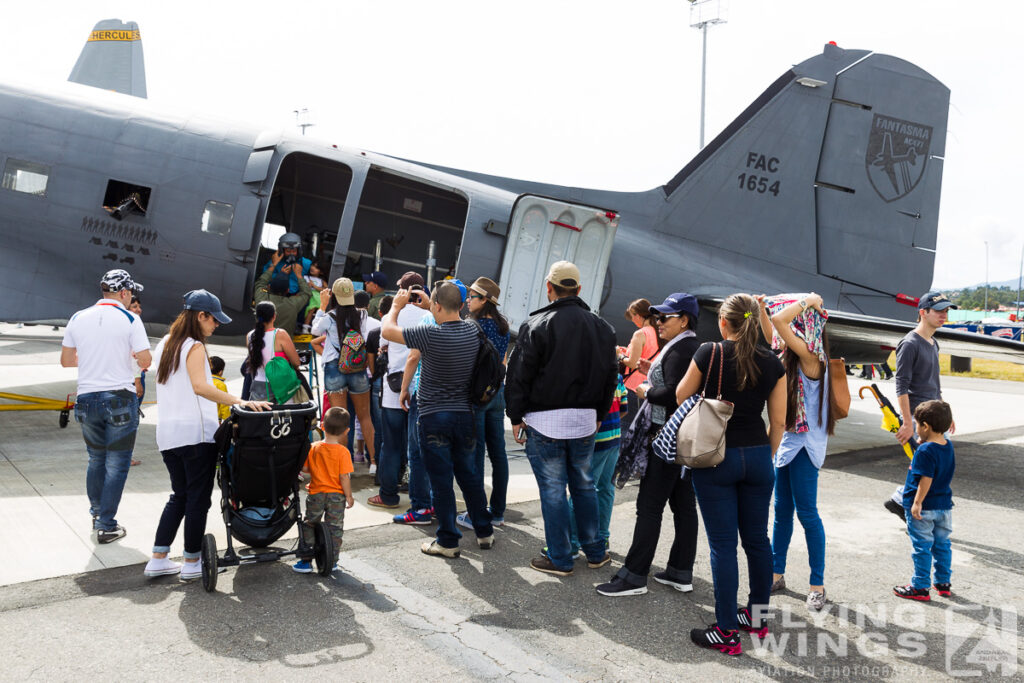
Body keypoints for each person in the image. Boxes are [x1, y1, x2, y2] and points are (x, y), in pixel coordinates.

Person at [674, 293, 786, 656]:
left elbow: (681, 395)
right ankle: (756, 617)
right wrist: (762, 458)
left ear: (724, 322)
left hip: (716, 455)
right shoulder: (772, 362)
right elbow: (779, 421)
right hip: (757, 456)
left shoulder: (711, 352)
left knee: (723, 546)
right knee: (757, 541)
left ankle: (724, 630)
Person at [143, 290, 270, 579]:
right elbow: (201, 387)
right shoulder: (194, 346)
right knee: (198, 499)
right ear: (200, 315)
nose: (215, 326)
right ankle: (191, 563)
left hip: (169, 434)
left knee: (180, 495)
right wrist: (240, 401)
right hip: (195, 435)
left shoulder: (165, 343)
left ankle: (159, 557)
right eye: (213, 320)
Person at [505, 261, 618, 576]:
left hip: (545, 421)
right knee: (584, 486)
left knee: (554, 491)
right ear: (579, 290)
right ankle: (596, 552)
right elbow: (611, 376)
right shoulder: (603, 328)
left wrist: (515, 415)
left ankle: (560, 557)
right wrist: (598, 411)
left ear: (549, 288)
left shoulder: (537, 324)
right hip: (585, 421)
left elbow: (520, 376)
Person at [596, 293, 701, 596]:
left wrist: (645, 390)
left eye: (666, 317)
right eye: (658, 316)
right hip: (679, 441)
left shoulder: (683, 349)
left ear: (684, 320)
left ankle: (633, 576)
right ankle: (680, 572)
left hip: (665, 438)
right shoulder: (684, 347)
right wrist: (649, 371)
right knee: (683, 506)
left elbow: (674, 395)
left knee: (649, 507)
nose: (659, 321)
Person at [382, 281, 493, 557]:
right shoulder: (473, 329)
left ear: (437, 306)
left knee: (441, 480)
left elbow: (387, 330)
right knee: (469, 476)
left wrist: (396, 307)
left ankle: (447, 541)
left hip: (433, 417)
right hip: (464, 415)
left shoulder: (428, 334)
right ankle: (484, 531)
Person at [60, 269, 151, 544]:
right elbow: (145, 361)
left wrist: (91, 358)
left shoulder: (78, 317)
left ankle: (97, 514)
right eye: (131, 293)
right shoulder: (130, 319)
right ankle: (106, 524)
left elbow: (66, 361)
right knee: (118, 464)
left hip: (87, 399)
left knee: (96, 458)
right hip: (119, 398)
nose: (132, 297)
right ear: (124, 293)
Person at [765, 293, 836, 612]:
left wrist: (808, 300)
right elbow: (770, 330)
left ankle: (817, 585)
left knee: (807, 514)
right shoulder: (788, 358)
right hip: (790, 443)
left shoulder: (812, 357)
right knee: (781, 513)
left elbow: (781, 322)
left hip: (807, 446)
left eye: (796, 325)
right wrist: (760, 309)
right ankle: (776, 574)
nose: (788, 331)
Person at [883, 291, 957, 518]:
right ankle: (910, 509)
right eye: (939, 311)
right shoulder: (910, 343)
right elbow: (901, 385)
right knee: (929, 465)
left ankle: (901, 501)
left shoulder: (933, 343)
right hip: (920, 418)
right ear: (923, 313)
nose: (943, 315)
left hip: (936, 415)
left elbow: (934, 381)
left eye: (946, 311)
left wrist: (945, 411)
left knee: (928, 464)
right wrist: (907, 422)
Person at [372, 272, 432, 509]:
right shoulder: (429, 316)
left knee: (391, 445)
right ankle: (420, 495)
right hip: (420, 389)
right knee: (417, 448)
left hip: (392, 389)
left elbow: (382, 345)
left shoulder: (391, 315)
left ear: (402, 291)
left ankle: (388, 495)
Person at [455, 277, 511, 529]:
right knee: (498, 454)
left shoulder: (472, 326)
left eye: (472, 297)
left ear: (484, 300)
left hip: (476, 395)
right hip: (496, 393)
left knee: (475, 455)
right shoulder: (503, 327)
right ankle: (497, 512)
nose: (467, 301)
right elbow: (502, 361)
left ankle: (475, 513)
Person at [311, 278, 377, 471]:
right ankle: (373, 462)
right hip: (357, 368)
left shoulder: (330, 316)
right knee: (365, 417)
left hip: (334, 368)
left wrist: (322, 306)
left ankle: (344, 466)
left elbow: (315, 331)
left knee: (341, 418)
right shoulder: (362, 315)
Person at [893, 400, 955, 601]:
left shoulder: (925, 451)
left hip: (924, 508)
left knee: (922, 547)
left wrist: (917, 502)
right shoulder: (947, 446)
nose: (916, 428)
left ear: (926, 426)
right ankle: (943, 583)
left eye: (918, 424)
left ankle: (919, 586)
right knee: (942, 545)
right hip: (944, 506)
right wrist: (925, 441)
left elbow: (925, 478)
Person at [293, 407, 355, 574]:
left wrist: (316, 467)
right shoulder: (343, 452)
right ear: (346, 431)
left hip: (316, 494)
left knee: (310, 524)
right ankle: (332, 561)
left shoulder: (313, 447)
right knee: (335, 528)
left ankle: (306, 561)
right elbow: (344, 477)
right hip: (336, 496)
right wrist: (348, 496)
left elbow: (305, 468)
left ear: (322, 426)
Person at [246, 301, 301, 401]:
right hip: (281, 387)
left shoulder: (250, 336)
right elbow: (296, 362)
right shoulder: (280, 334)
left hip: (258, 386)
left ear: (257, 316)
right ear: (274, 316)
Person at [620, 299, 661, 422]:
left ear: (638, 315)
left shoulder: (640, 333)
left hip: (632, 388)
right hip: (648, 387)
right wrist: (627, 350)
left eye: (632, 316)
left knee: (624, 427)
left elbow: (633, 363)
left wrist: (620, 356)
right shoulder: (659, 332)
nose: (632, 320)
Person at [254, 250, 312, 335]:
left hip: (260, 341)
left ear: (269, 287)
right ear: (288, 290)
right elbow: (307, 293)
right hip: (282, 344)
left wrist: (273, 265)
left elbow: (261, 282)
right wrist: (299, 275)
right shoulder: (292, 304)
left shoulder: (261, 299)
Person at [261, 232, 311, 296]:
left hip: (297, 297)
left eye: (294, 251)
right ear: (282, 250)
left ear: (298, 251)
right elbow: (265, 279)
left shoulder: (306, 263)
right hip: (277, 294)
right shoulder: (275, 261)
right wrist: (281, 275)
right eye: (288, 251)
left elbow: (314, 282)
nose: (291, 254)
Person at [208, 356, 231, 421]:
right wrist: (228, 421)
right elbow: (224, 406)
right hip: (216, 420)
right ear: (220, 372)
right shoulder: (220, 385)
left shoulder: (203, 382)